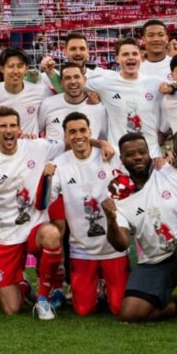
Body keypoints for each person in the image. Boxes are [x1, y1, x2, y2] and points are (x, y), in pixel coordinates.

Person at [102, 130, 177, 330]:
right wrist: (110, 220)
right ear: (122, 160)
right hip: (155, 258)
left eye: (142, 152)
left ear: (149, 153)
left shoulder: (175, 171)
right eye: (131, 154)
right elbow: (121, 244)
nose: (138, 157)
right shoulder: (119, 194)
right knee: (130, 313)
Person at [0, 108, 61, 318]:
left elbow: (71, 141)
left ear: (20, 128)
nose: (8, 130)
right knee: (12, 309)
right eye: (3, 126)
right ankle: (24, 285)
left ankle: (43, 298)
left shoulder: (38, 146)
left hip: (34, 226)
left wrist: (100, 144)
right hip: (5, 234)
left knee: (52, 234)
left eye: (12, 125)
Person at [46, 112, 129, 316]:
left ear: (90, 132)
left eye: (83, 130)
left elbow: (134, 177)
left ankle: (109, 285)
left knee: (119, 308)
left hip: (114, 247)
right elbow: (46, 200)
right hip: (82, 249)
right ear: (65, 136)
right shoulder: (59, 163)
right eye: (72, 132)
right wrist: (46, 179)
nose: (78, 135)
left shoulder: (111, 154)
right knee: (84, 310)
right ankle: (97, 288)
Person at [87, 37, 163, 155]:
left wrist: (173, 87)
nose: (131, 57)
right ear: (117, 58)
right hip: (119, 157)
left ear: (141, 57)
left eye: (134, 54)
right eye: (125, 54)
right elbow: (70, 85)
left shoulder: (156, 83)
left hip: (152, 157)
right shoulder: (105, 84)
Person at [0, 47, 47, 146]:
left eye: (20, 66)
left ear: (26, 69)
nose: (15, 71)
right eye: (10, 66)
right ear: (1, 68)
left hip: (28, 155)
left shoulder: (39, 91)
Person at [36, 62, 107, 147]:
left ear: (84, 80)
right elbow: (36, 131)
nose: (73, 81)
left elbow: (103, 138)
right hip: (54, 159)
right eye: (67, 78)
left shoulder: (97, 108)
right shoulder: (47, 104)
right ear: (61, 83)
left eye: (76, 77)